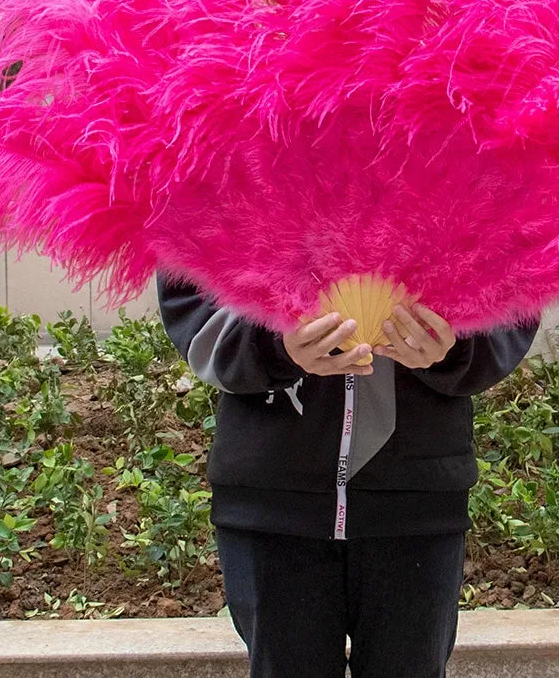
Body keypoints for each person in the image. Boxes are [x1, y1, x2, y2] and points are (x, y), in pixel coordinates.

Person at [157, 274, 539, 678]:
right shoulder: (223, 206)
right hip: (272, 499)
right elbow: (190, 275)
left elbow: (515, 268)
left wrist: (457, 342)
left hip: (415, 499)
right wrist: (271, 344)